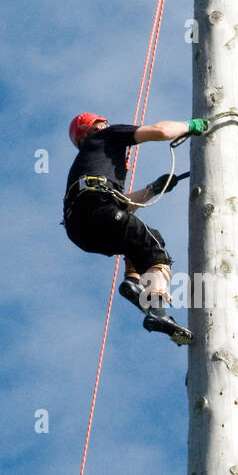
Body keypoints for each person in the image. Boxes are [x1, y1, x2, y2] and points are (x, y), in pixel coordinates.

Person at [63, 112, 207, 345]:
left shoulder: (89, 163)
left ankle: (134, 282)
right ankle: (157, 313)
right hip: (97, 209)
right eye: (104, 123)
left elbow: (120, 206)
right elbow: (160, 131)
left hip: (80, 230)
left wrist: (153, 188)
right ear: (97, 126)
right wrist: (190, 125)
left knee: (131, 237)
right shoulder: (107, 136)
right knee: (154, 247)